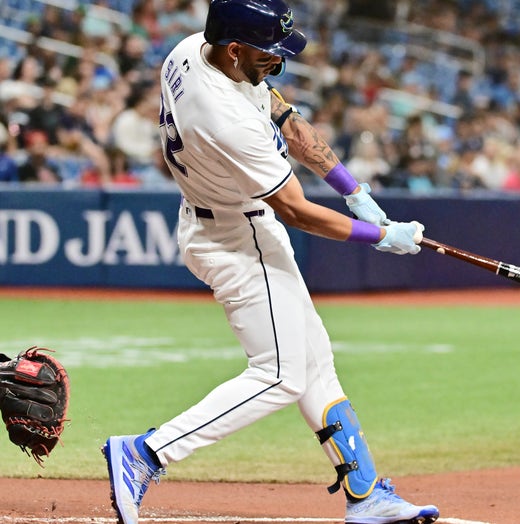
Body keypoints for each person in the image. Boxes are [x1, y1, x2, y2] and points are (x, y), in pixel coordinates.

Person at [100, 1, 439, 524]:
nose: (278, 63)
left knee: (315, 362)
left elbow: (283, 113)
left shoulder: (193, 49)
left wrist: (353, 190)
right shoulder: (224, 117)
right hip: (236, 237)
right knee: (281, 375)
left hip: (229, 221)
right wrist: (379, 235)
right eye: (268, 54)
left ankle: (367, 494)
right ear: (235, 49)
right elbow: (296, 211)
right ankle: (145, 453)